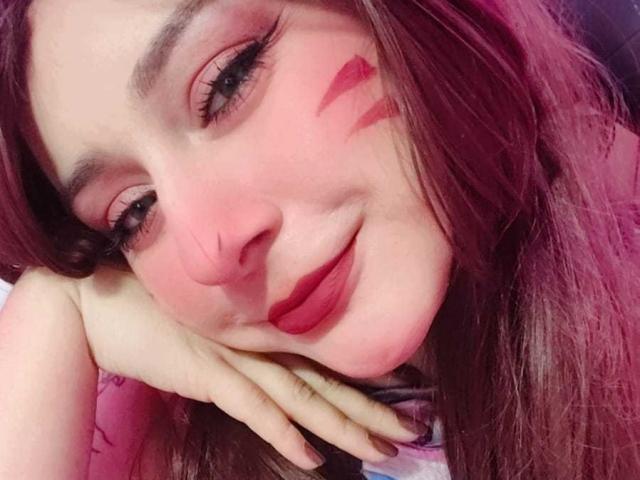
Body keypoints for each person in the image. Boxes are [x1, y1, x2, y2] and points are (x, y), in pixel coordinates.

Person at [0, 0, 639, 479]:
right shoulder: (147, 426)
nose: (208, 252)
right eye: (133, 214)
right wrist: (54, 307)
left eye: (228, 81)